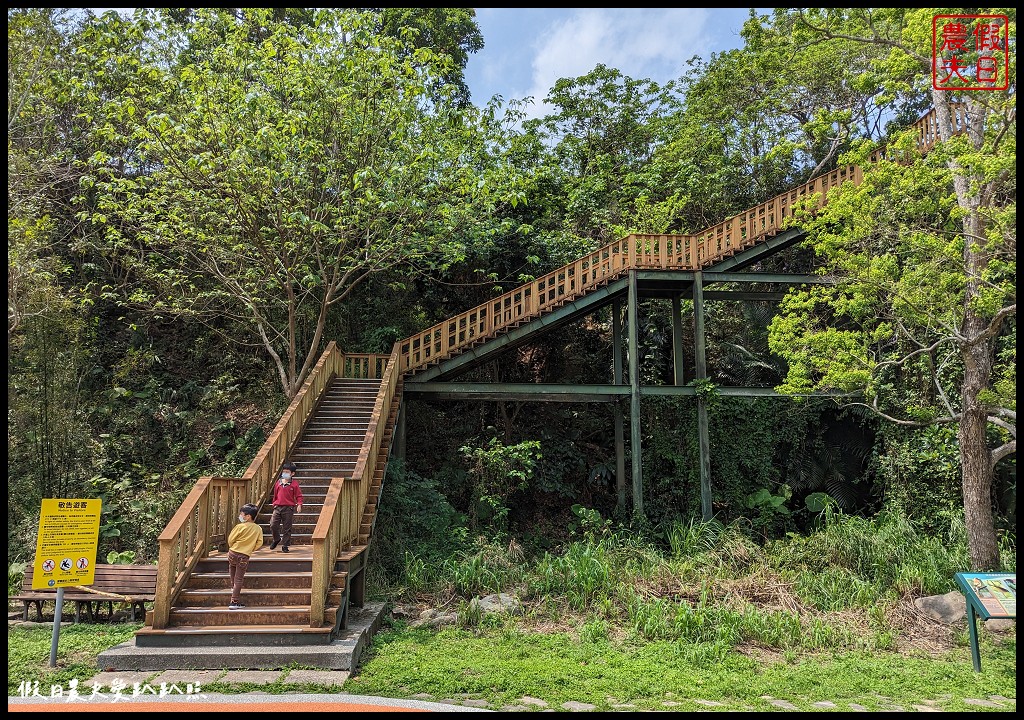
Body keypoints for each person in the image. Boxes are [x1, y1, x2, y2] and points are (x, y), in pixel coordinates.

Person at [227, 503, 262, 609]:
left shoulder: (239, 527)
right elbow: (259, 543)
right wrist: (250, 549)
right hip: (244, 556)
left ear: (248, 516)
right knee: (239, 579)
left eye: (242, 514)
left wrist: (233, 546)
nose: (240, 516)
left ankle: (233, 593)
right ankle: (234, 601)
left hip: (232, 553)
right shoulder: (258, 529)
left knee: (233, 575)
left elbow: (231, 539)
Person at [270, 461, 303, 553]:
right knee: (273, 524)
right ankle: (276, 539)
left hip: (288, 508)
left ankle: (285, 545)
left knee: (287, 527)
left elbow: (299, 495)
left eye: (287, 472)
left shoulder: (294, 484)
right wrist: (274, 503)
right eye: (284, 471)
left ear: (292, 474)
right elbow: (275, 494)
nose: (285, 474)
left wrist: (299, 504)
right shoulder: (278, 483)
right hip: (277, 506)